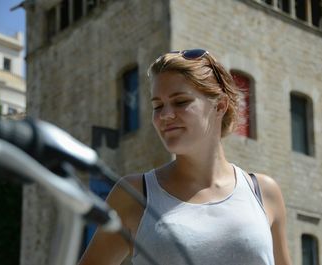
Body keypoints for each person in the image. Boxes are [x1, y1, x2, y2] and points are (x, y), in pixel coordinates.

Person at [79, 49, 292, 265]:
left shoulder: (263, 192)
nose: (165, 115)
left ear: (219, 106)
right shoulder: (134, 194)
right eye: (157, 106)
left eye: (180, 102)